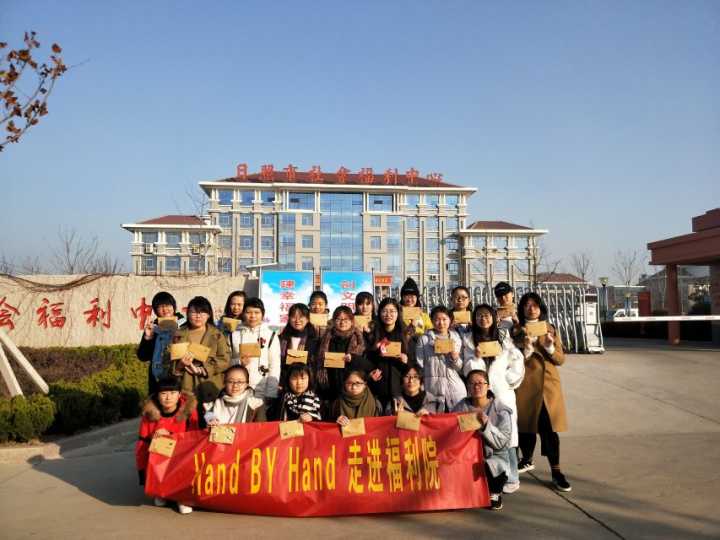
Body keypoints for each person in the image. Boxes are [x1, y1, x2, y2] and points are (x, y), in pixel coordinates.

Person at [463, 303, 525, 494]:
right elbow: (467, 370)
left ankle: (512, 476)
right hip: (481, 395)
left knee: (508, 437)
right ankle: (489, 475)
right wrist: (476, 358)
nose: (483, 319)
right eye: (479, 316)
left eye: (487, 315)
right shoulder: (469, 340)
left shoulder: (504, 338)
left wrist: (507, 380)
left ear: (494, 318)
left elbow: (516, 360)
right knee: (485, 434)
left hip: (502, 393)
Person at [514, 292, 571, 492]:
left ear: (541, 308)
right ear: (522, 309)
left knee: (549, 429)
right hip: (525, 385)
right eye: (527, 305)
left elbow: (560, 359)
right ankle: (527, 459)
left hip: (547, 386)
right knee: (525, 427)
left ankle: (556, 471)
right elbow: (511, 359)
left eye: (535, 305)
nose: (531, 309)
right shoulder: (516, 330)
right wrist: (526, 350)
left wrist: (549, 348)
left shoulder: (550, 329)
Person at [135, 376, 198, 515]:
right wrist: (143, 472)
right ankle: (161, 491)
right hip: (159, 456)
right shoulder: (149, 414)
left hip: (182, 454)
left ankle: (182, 497)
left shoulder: (189, 411)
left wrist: (170, 435)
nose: (168, 397)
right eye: (163, 393)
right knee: (156, 448)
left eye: (173, 393)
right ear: (157, 396)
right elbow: (142, 443)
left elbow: (194, 439)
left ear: (179, 394)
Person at [453, 369, 512, 511]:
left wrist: (486, 426)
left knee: (493, 467)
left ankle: (494, 492)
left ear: (488, 386)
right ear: (467, 387)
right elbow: (446, 427)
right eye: (472, 383)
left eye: (480, 383)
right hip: (466, 456)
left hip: (493, 457)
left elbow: (502, 442)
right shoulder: (460, 407)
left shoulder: (501, 410)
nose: (476, 386)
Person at [171, 296, 230, 400]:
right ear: (188, 314)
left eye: (202, 312)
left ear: (208, 315)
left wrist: (202, 370)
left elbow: (225, 360)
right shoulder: (178, 335)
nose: (198, 316)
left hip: (211, 386)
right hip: (186, 386)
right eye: (194, 312)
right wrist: (179, 366)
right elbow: (167, 361)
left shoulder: (217, 335)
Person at [415, 305, 469, 411]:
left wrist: (455, 358)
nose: (441, 323)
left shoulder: (456, 338)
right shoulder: (424, 340)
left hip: (453, 388)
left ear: (450, 320)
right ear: (431, 320)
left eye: (444, 319)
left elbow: (459, 368)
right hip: (431, 389)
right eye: (437, 319)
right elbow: (419, 365)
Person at [232, 297, 281, 412]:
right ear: (243, 314)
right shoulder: (234, 335)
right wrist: (239, 362)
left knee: (259, 421)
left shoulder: (270, 335)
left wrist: (271, 392)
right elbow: (228, 361)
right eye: (248, 312)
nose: (252, 316)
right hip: (237, 389)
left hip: (261, 389)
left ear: (262, 314)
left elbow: (274, 364)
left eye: (256, 312)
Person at [366, 297, 414, 409]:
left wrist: (406, 361)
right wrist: (370, 373)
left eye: (392, 311)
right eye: (384, 311)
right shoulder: (372, 335)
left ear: (398, 313)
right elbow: (366, 361)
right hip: (377, 390)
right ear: (379, 313)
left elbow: (414, 365)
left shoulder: (406, 335)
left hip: (399, 391)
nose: (388, 315)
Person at [315, 306, 367, 404]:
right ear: (334, 321)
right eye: (338, 319)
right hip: (330, 386)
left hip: (352, 387)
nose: (342, 322)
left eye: (346, 319)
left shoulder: (359, 339)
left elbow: (365, 363)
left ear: (352, 321)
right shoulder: (326, 337)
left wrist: (353, 358)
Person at [136, 291, 184, 395]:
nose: (165, 309)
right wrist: (148, 337)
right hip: (157, 381)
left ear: (174, 306)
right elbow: (142, 357)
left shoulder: (185, 325)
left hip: (180, 378)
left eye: (168, 305)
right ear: (155, 310)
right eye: (161, 307)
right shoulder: (153, 327)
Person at [277, 303, 319, 390]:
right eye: (293, 317)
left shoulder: (314, 340)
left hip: (306, 383)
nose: (297, 320)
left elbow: (316, 364)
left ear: (307, 319)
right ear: (289, 319)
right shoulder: (281, 338)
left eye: (301, 317)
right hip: (284, 382)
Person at [494, 282, 519, 347]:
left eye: (505, 294)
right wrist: (494, 325)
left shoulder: (522, 311)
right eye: (500, 296)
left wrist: (518, 324)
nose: (503, 298)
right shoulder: (493, 315)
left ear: (512, 294)